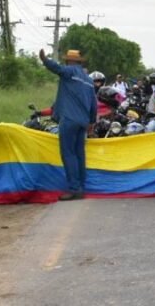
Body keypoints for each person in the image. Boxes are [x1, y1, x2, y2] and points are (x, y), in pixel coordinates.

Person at [40, 49, 97, 200]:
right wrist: (91, 122)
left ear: (71, 62)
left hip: (69, 119)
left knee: (68, 154)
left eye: (67, 61)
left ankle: (74, 189)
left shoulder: (69, 72)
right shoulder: (89, 80)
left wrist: (45, 60)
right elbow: (94, 104)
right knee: (79, 154)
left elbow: (56, 68)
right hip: (83, 122)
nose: (65, 63)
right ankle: (81, 187)